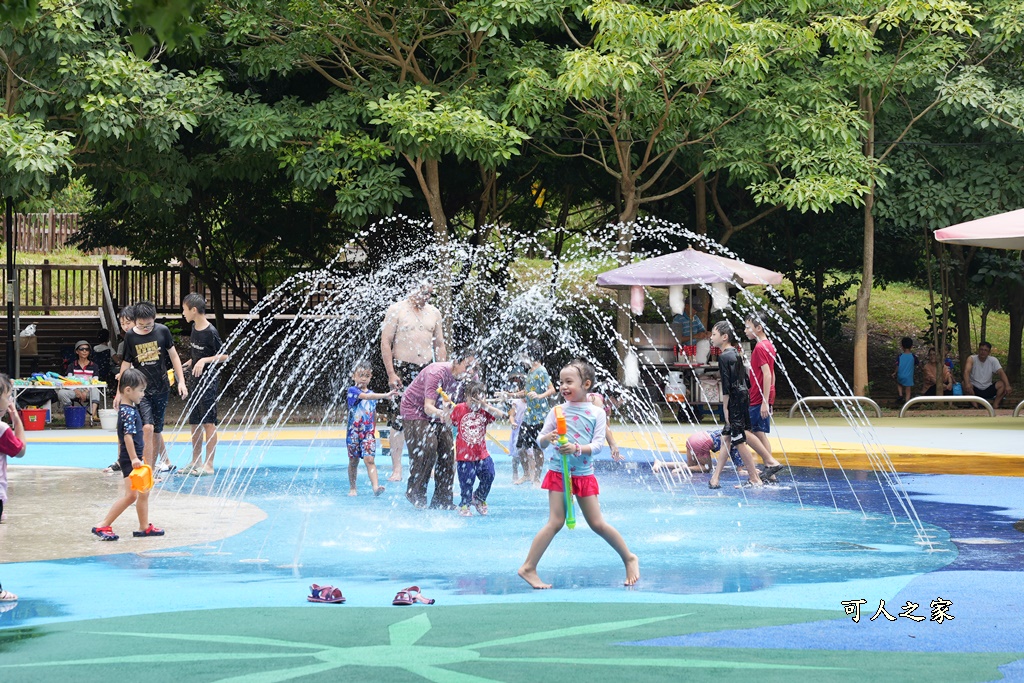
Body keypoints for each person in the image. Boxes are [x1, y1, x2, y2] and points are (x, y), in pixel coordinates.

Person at [518, 359, 638, 589]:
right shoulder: (556, 411)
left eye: (569, 382)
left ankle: (629, 557)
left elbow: (598, 445)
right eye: (561, 382)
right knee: (555, 522)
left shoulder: (596, 413)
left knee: (597, 523)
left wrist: (577, 448)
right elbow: (540, 441)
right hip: (558, 473)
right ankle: (528, 567)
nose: (563, 386)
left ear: (586, 384)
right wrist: (548, 437)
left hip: (582, 473)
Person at [380, 281, 447, 483]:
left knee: (430, 416)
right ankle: (397, 468)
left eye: (430, 293)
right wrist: (391, 373)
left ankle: (427, 464)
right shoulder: (396, 309)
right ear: (413, 289)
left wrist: (441, 370)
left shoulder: (434, 313)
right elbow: (385, 341)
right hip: (402, 367)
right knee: (398, 419)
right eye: (424, 292)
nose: (426, 296)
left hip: (426, 368)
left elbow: (440, 344)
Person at [91, 368, 164, 541]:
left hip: (135, 458)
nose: (143, 394)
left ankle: (144, 527)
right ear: (128, 390)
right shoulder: (128, 412)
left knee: (144, 492)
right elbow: (128, 437)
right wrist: (134, 459)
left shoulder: (128, 408)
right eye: (140, 390)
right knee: (131, 495)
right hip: (130, 459)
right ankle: (103, 525)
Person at [115, 301, 188, 473]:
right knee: (147, 427)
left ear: (154, 318)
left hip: (162, 387)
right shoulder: (131, 336)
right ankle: (146, 467)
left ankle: (152, 467)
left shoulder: (163, 331)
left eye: (149, 325)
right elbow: (125, 365)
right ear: (136, 321)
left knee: (156, 431)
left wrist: (181, 381)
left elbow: (175, 357)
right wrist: (120, 392)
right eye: (142, 325)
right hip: (141, 391)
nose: (146, 328)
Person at [400, 349, 478, 509]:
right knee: (428, 445)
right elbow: (428, 407)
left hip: (441, 412)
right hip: (415, 410)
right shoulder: (437, 373)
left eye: (473, 367)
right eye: (467, 365)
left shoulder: (470, 378)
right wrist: (442, 413)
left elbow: (467, 406)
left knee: (448, 452)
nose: (470, 370)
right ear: (456, 362)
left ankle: (442, 500)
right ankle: (415, 491)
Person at [707, 321, 764, 489]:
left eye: (714, 335)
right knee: (727, 438)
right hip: (742, 398)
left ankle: (754, 477)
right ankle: (715, 478)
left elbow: (727, 386)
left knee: (738, 439)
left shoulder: (724, 357)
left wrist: (726, 408)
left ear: (724, 337)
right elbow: (745, 381)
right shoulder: (736, 354)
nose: (711, 338)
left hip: (734, 402)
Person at [180, 293, 230, 476]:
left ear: (194, 310)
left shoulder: (211, 332)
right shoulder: (194, 327)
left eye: (184, 309)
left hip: (208, 383)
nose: (182, 313)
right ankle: (195, 461)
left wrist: (204, 360)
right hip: (195, 381)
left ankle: (209, 465)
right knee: (194, 422)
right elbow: (197, 355)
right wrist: (191, 362)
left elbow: (225, 356)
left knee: (208, 422)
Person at [449, 381, 505, 516]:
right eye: (471, 399)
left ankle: (479, 497)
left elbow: (500, 415)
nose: (474, 403)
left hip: (481, 453)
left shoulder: (484, 410)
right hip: (464, 455)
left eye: (478, 398)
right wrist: (446, 410)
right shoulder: (460, 408)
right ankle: (465, 504)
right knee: (467, 480)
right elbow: (449, 421)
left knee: (489, 473)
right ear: (466, 397)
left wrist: (484, 405)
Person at [346, 360, 398, 496]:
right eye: (360, 375)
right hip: (354, 434)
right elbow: (366, 397)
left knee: (370, 460)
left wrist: (373, 430)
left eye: (367, 376)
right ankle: (353, 487)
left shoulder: (372, 394)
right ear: (353, 376)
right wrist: (386, 395)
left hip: (368, 434)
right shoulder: (352, 391)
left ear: (370, 377)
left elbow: (373, 412)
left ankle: (375, 487)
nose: (363, 378)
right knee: (353, 461)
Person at [744, 312, 784, 480]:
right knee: (760, 432)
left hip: (758, 395)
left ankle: (770, 464)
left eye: (748, 327)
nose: (745, 330)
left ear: (758, 328)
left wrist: (765, 402)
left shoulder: (760, 347)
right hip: (763, 394)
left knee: (745, 431)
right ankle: (770, 470)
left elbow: (767, 374)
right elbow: (771, 374)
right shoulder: (769, 345)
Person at [511, 341, 555, 484]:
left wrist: (539, 396)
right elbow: (527, 391)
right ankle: (526, 474)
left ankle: (536, 477)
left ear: (531, 355)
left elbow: (552, 389)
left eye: (524, 355)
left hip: (540, 417)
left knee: (537, 448)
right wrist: (511, 395)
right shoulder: (529, 372)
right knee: (520, 447)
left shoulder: (542, 371)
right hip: (529, 416)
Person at [0, 373, 26, 601]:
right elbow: (20, 450)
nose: (10, 400)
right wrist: (16, 420)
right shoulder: (1, 430)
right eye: (8, 396)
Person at [652, 429, 740, 474]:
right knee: (706, 468)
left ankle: (661, 463)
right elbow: (735, 454)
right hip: (701, 443)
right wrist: (740, 468)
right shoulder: (736, 438)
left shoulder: (725, 430)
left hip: (693, 438)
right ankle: (683, 470)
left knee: (693, 465)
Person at [56, 340, 101, 424]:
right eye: (82, 349)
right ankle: (71, 414)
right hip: (74, 390)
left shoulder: (94, 366)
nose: (84, 351)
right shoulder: (72, 365)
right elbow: (68, 380)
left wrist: (86, 391)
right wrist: (76, 390)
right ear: (77, 351)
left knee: (96, 390)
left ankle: (92, 415)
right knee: (61, 392)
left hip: (88, 390)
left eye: (87, 349)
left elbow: (95, 381)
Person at [964, 341, 1013, 409]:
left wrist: (1007, 385)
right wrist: (967, 383)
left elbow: (1001, 372)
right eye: (981, 349)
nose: (983, 352)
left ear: (989, 352)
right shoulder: (972, 358)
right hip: (974, 388)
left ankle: (995, 405)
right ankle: (975, 406)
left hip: (988, 388)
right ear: (978, 350)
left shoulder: (993, 360)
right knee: (964, 383)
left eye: (985, 350)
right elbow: (966, 371)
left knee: (1002, 384)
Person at [893, 337, 918, 404]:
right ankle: (907, 403)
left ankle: (900, 394)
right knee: (908, 389)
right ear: (911, 346)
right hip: (908, 377)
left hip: (900, 375)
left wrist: (895, 372)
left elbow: (897, 366)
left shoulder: (900, 356)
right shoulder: (913, 357)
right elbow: (918, 364)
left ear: (902, 346)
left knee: (899, 383)